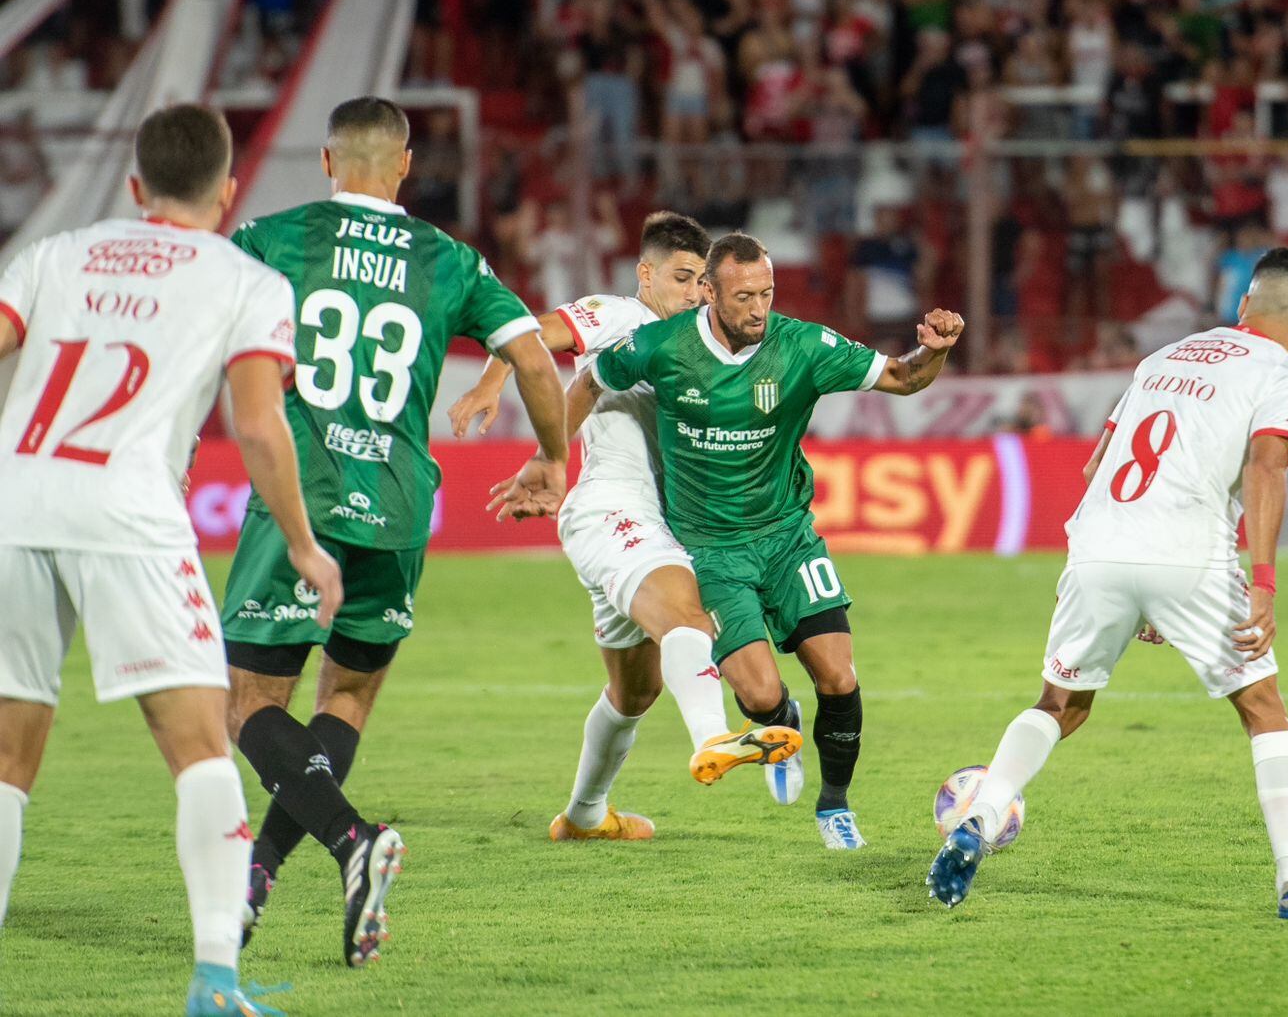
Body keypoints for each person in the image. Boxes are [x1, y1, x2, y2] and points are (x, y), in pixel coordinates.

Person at [0, 104, 343, 1016]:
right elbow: (260, 425)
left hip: (13, 503)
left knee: (5, 756)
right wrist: (304, 546)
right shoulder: (244, 280)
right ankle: (215, 982)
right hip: (128, 515)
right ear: (230, 193)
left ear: (135, 186)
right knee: (200, 746)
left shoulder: (52, 255)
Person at [220, 96, 571, 966]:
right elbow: (533, 357)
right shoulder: (451, 260)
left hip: (307, 493)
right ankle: (256, 874)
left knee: (251, 706)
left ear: (329, 162)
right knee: (346, 697)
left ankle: (350, 842)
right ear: (407, 166)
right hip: (404, 506)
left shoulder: (276, 236)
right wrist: (554, 461)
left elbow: (203, 321)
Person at [496, 233, 966, 849]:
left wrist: (932, 350)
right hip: (710, 551)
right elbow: (589, 381)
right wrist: (551, 456)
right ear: (709, 294)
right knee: (761, 692)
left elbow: (904, 378)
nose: (758, 309)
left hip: (787, 538)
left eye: (767, 293)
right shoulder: (663, 345)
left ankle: (835, 806)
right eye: (744, 296)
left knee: (839, 674)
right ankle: (777, 727)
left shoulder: (803, 345)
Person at [927, 247, 1288, 921]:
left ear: (1243, 306)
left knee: (1061, 703)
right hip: (1188, 551)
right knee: (1263, 707)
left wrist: (1133, 588)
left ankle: (982, 815)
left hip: (1098, 543)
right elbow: (1268, 471)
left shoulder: (1166, 357)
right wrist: (1262, 583)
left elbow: (1097, 463)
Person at [448, 213, 802, 841]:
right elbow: (532, 334)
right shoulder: (622, 317)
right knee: (686, 618)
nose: (694, 292)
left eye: (702, 281)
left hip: (654, 526)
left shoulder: (701, 343)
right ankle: (715, 738)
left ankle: (584, 815)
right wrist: (493, 381)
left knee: (635, 693)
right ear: (646, 275)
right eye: (681, 277)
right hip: (613, 508)